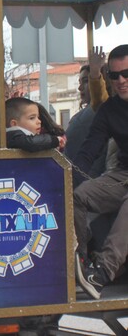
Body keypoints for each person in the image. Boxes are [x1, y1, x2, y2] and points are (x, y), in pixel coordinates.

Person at [73, 44, 128, 300]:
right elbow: (90, 149)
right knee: (79, 195)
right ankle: (82, 262)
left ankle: (103, 273)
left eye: (127, 74)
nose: (121, 81)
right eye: (114, 75)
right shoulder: (110, 109)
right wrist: (68, 176)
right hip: (122, 176)